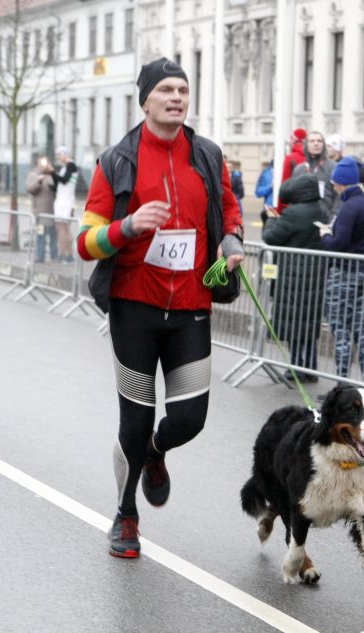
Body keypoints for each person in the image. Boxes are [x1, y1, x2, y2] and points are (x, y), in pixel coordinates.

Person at [76, 57, 244, 558]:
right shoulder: (117, 161)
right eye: (166, 90)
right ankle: (126, 516)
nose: (176, 98)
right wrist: (126, 227)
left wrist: (232, 241)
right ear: (145, 99)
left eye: (183, 90)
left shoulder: (209, 155)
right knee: (134, 419)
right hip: (134, 307)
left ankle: (157, 452)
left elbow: (229, 210)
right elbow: (85, 242)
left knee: (190, 418)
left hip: (192, 305)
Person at [320, 157, 364, 382]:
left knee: (340, 329)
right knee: (359, 327)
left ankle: (342, 384)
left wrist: (326, 234)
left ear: (341, 183)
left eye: (335, 182)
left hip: (343, 273)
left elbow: (338, 244)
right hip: (362, 270)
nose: (333, 187)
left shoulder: (349, 207)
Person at [262, 174, 327, 382]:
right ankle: (310, 368)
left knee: (294, 322)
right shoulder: (322, 209)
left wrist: (271, 219)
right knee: (309, 321)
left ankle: (295, 368)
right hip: (315, 274)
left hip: (292, 274)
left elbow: (270, 238)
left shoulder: (293, 213)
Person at [292, 131, 337, 219]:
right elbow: (293, 196)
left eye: (319, 141)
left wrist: (333, 217)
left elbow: (339, 196)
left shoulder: (334, 168)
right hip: (303, 220)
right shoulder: (299, 170)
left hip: (326, 220)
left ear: (324, 145)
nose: (316, 144)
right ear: (306, 145)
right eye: (312, 141)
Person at [27, 156, 57, 263]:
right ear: (38, 164)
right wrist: (38, 181)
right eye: (42, 163)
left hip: (52, 212)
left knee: (54, 236)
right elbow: (30, 189)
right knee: (41, 235)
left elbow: (58, 187)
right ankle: (40, 256)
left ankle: (55, 255)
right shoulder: (33, 175)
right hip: (40, 213)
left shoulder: (51, 175)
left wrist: (52, 173)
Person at [52, 146, 79, 263]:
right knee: (65, 228)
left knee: (62, 228)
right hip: (63, 200)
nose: (57, 157)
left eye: (59, 154)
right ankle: (69, 254)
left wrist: (52, 172)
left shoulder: (70, 165)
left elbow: (64, 180)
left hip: (65, 202)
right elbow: (60, 183)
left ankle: (62, 254)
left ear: (65, 154)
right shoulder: (66, 166)